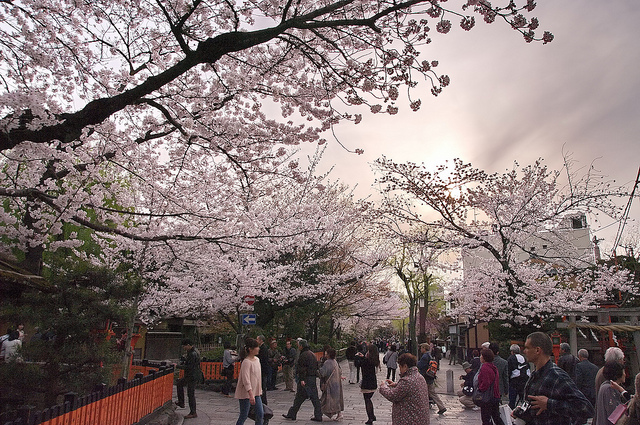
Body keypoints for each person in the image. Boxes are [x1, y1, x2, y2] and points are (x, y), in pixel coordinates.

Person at [519, 332, 594, 425]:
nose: (524, 351)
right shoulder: (535, 374)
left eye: (527, 347)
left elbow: (585, 408)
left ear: (537, 350)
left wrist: (549, 404)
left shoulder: (557, 376)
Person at [379, 353, 430, 425]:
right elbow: (411, 388)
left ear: (405, 366)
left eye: (400, 367)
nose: (399, 369)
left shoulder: (407, 381)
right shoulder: (419, 377)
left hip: (409, 420)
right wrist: (396, 384)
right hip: (420, 419)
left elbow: (392, 396)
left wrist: (383, 386)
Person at [282, 338, 323, 422]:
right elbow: (316, 366)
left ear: (301, 346)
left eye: (299, 345)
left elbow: (302, 369)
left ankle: (292, 414)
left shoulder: (303, 355)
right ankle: (318, 415)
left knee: (299, 397)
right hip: (312, 378)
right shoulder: (312, 354)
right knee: (313, 397)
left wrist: (302, 379)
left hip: (306, 379)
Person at [235, 338, 264, 425]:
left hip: (256, 392)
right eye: (256, 347)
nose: (258, 349)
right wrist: (250, 394)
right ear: (251, 349)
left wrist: (259, 391)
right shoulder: (246, 362)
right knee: (244, 415)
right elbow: (246, 380)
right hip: (246, 393)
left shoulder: (257, 360)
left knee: (260, 413)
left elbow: (258, 378)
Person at [594, 346, 625, 425]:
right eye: (621, 360)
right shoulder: (609, 385)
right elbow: (613, 412)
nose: (623, 362)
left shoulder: (602, 372)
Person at [595, 361, 630, 425]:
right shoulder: (609, 388)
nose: (625, 374)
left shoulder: (605, 386)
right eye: (623, 372)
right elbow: (614, 413)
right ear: (618, 374)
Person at [477, 348, 505, 425]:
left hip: (488, 396)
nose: (480, 357)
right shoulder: (493, 367)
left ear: (484, 357)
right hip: (495, 395)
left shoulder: (484, 367)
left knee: (486, 418)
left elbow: (486, 382)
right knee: (496, 417)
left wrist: (480, 389)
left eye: (481, 355)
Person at [417, 342, 446, 415]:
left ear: (424, 348)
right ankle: (441, 407)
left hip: (425, 377)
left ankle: (422, 406)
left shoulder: (424, 357)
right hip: (430, 377)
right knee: (432, 393)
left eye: (421, 348)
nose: (420, 349)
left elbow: (420, 365)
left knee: (422, 392)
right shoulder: (429, 355)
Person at [176, 338, 202, 419]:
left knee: (190, 393)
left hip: (192, 375)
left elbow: (189, 367)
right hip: (191, 375)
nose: (184, 348)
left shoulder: (192, 354)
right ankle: (181, 402)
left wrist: (178, 366)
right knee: (180, 384)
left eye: (184, 346)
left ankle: (193, 412)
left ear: (188, 345)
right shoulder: (193, 352)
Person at [318, 347, 344, 421]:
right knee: (336, 400)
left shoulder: (327, 362)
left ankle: (319, 413)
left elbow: (322, 373)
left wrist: (318, 367)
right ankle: (339, 414)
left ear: (329, 354)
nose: (325, 354)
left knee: (326, 399)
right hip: (336, 384)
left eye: (326, 353)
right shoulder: (335, 361)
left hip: (330, 384)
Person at [357, 343, 380, 425]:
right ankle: (372, 415)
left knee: (367, 400)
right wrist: (363, 357)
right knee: (368, 399)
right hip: (373, 382)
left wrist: (358, 357)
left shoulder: (367, 361)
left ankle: (370, 417)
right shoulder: (374, 360)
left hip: (367, 383)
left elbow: (358, 364)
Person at [507, 343, 530, 409]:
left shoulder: (511, 358)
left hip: (514, 381)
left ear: (512, 351)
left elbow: (509, 371)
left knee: (512, 400)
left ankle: (512, 412)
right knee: (524, 400)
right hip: (524, 380)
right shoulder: (524, 358)